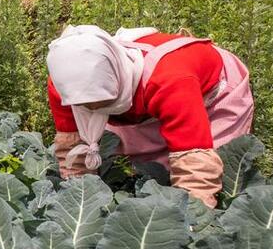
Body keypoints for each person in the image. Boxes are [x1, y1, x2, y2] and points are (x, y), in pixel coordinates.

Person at [46, 25, 254, 207]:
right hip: (150, 99)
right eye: (85, 106)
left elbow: (194, 160)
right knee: (153, 171)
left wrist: (194, 222)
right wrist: (78, 200)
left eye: (100, 102)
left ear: (116, 80)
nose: (90, 108)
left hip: (213, 95)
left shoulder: (170, 80)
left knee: (217, 169)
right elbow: (71, 146)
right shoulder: (65, 87)